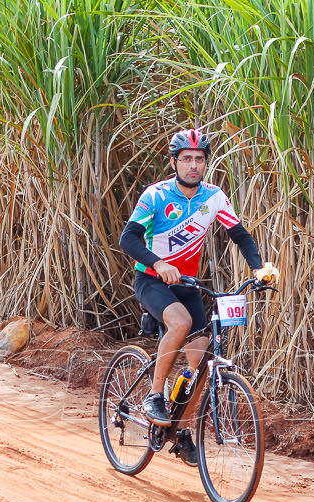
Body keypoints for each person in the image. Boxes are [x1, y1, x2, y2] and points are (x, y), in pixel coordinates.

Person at [119, 128, 278, 466]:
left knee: (201, 360)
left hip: (188, 284)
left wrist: (258, 269)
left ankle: (181, 429)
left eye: (199, 159)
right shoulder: (156, 195)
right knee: (181, 322)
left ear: (206, 163)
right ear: (175, 161)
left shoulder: (214, 197)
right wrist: (159, 263)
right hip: (152, 280)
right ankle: (153, 396)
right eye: (187, 159)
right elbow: (128, 239)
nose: (193, 165)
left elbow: (241, 235)